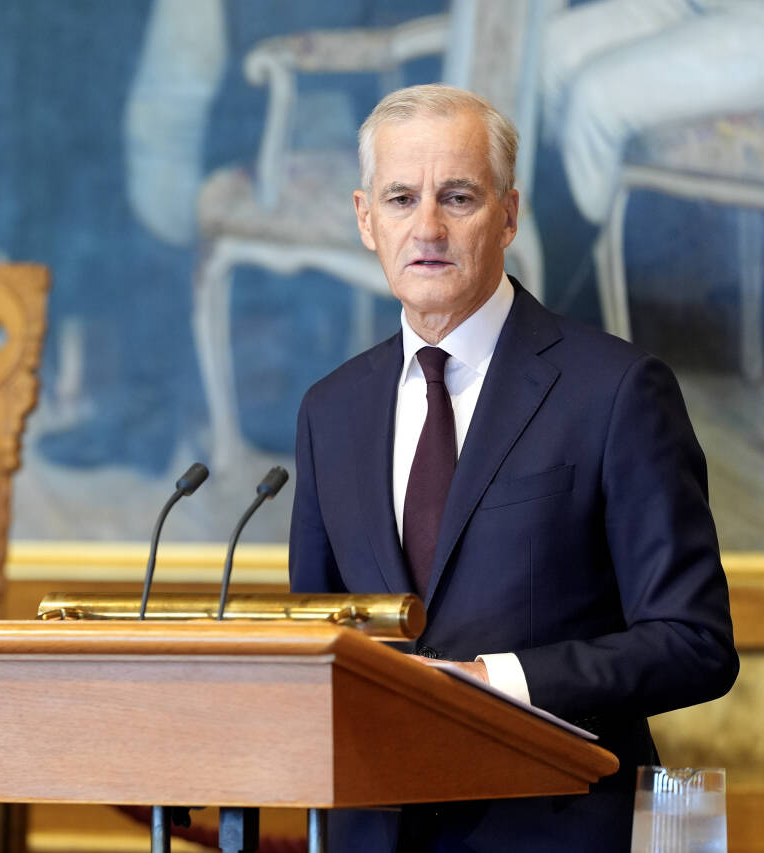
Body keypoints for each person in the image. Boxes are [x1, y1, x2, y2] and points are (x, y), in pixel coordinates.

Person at [288, 85, 738, 852]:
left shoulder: (617, 390)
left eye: (457, 196)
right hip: (377, 829)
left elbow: (695, 642)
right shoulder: (329, 411)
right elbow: (322, 643)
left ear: (508, 213)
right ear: (366, 219)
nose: (427, 226)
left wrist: (499, 682)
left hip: (563, 823)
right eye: (402, 198)